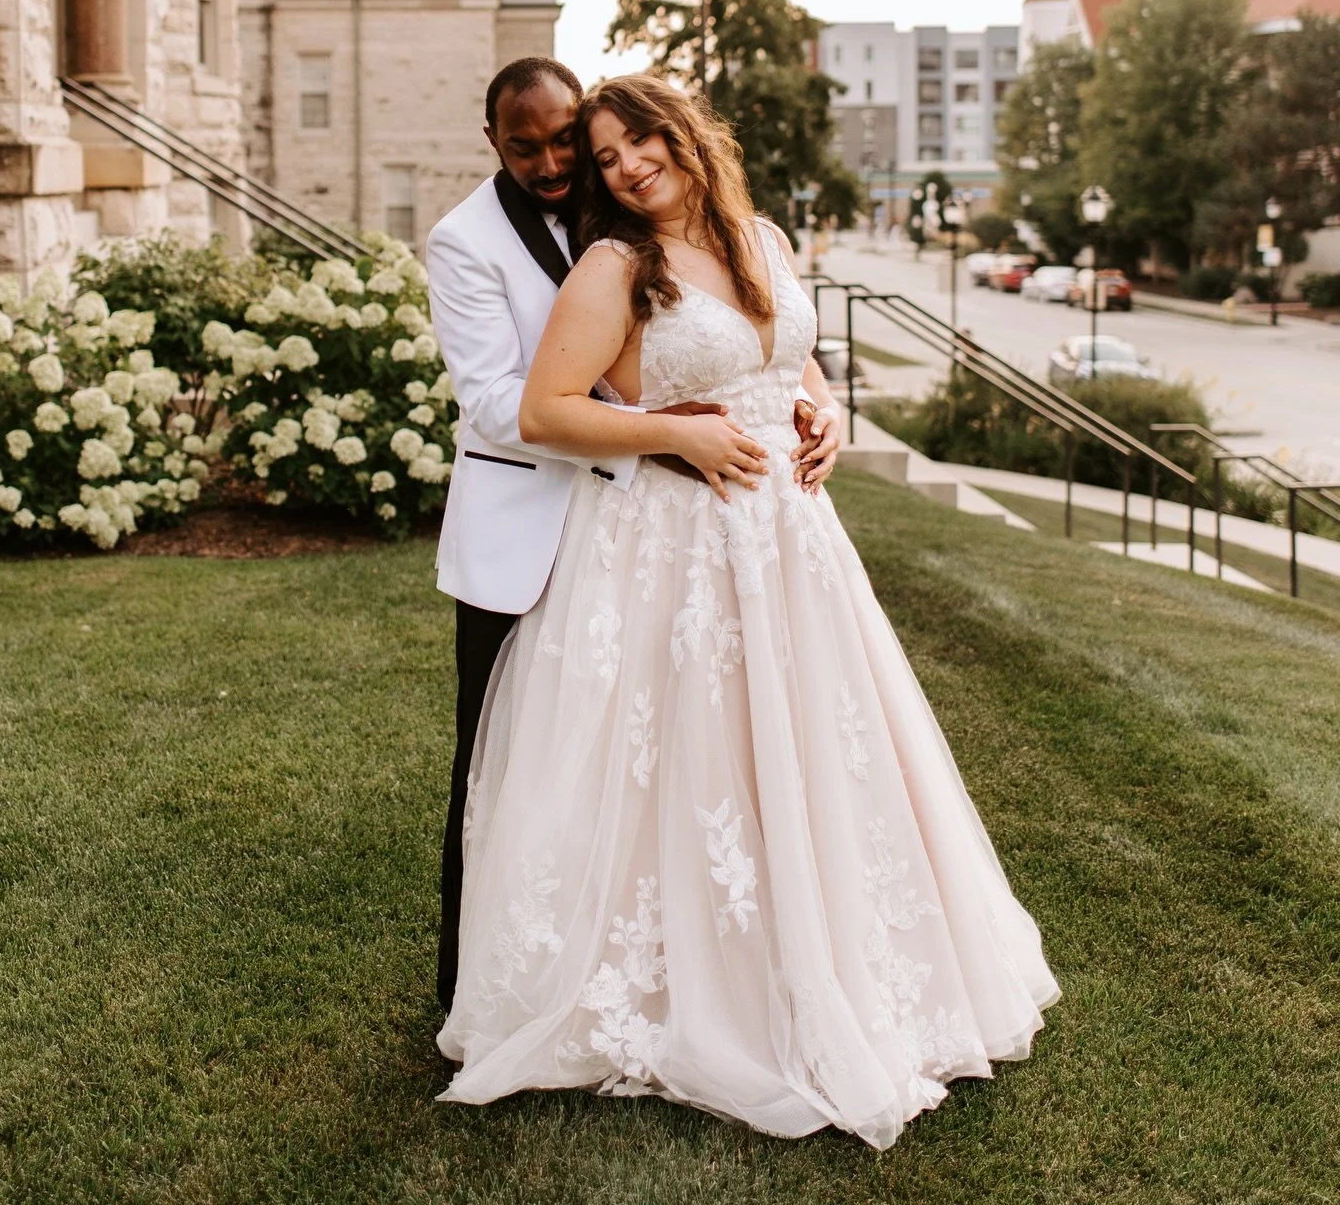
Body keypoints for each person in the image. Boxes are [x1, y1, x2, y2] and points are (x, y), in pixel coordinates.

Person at [435, 75, 1059, 1147]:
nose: (626, 165)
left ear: (685, 134)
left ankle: (832, 955)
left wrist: (827, 411)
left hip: (793, 543)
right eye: (608, 155)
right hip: (677, 541)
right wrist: (673, 433)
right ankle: (693, 983)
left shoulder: (761, 236)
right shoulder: (614, 265)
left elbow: (788, 352)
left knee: (812, 748)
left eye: (639, 140)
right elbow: (540, 407)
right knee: (696, 758)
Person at [425, 58, 840, 1012]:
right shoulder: (466, 241)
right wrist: (659, 429)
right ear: (493, 144)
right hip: (532, 527)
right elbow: (499, 403)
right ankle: (482, 985)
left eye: (567, 141)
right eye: (525, 147)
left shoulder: (654, 212)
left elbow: (763, 339)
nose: (554, 162)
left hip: (695, 527)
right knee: (509, 767)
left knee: (692, 753)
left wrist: (816, 408)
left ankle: (710, 957)